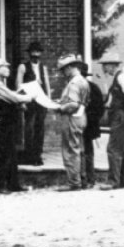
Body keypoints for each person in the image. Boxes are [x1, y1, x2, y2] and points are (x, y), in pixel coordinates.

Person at [0, 58, 34, 194]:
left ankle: (13, 184)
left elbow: (9, 98)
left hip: (5, 122)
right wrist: (29, 97)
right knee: (3, 154)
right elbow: (13, 98)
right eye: (4, 67)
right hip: (0, 123)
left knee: (11, 153)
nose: (7, 69)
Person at [52, 54, 91, 190]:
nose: (63, 73)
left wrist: (59, 107)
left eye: (63, 70)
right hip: (81, 117)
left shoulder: (73, 83)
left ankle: (74, 182)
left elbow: (73, 104)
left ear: (69, 68)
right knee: (79, 149)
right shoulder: (82, 80)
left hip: (71, 118)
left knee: (70, 150)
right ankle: (82, 180)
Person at [99, 51, 124, 188]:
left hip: (120, 116)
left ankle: (113, 181)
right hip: (118, 115)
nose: (103, 68)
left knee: (113, 148)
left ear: (112, 65)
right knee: (121, 148)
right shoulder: (117, 78)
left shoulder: (122, 77)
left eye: (105, 65)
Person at [15, 41, 51, 166]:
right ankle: (29, 155)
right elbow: (19, 85)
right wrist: (21, 101)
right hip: (29, 101)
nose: (35, 55)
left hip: (41, 101)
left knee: (39, 128)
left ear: (40, 54)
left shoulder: (43, 67)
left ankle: (37, 155)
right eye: (33, 53)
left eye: (37, 53)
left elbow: (46, 84)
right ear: (29, 54)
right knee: (29, 128)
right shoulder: (23, 67)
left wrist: (48, 101)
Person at [83, 67, 106, 188]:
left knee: (85, 152)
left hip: (87, 124)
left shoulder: (90, 88)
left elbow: (99, 108)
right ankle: (88, 179)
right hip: (89, 124)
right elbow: (101, 109)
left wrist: (90, 119)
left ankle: (88, 179)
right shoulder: (94, 87)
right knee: (87, 151)